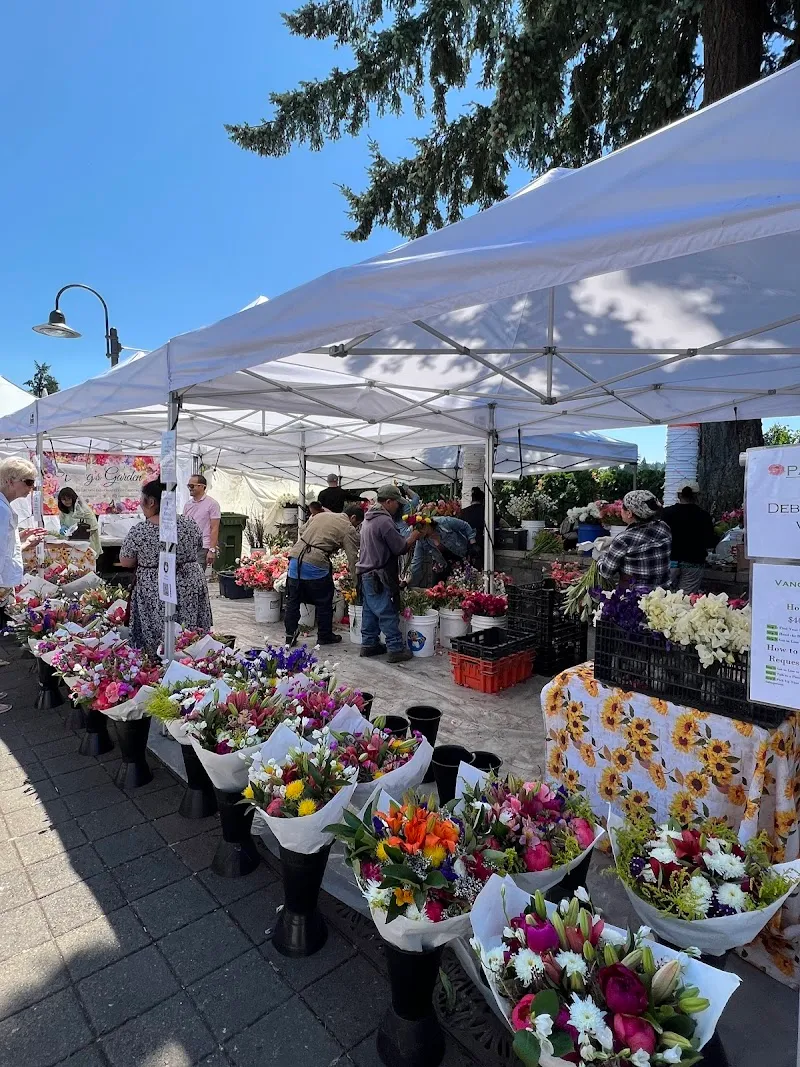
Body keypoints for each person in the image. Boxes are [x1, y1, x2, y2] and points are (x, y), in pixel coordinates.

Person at [120, 480, 212, 656]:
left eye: (142, 499)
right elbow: (199, 545)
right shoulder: (190, 524)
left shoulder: (140, 530)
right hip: (189, 580)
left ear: (151, 502)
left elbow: (126, 561)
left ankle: (157, 664)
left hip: (156, 585)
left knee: (157, 630)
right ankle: (191, 662)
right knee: (189, 630)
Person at [357, 484, 425, 663]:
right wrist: (414, 535)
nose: (398, 506)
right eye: (396, 503)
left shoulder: (368, 518)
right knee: (386, 610)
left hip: (366, 573)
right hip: (379, 574)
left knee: (370, 611)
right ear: (388, 501)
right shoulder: (384, 521)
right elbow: (400, 548)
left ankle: (369, 644)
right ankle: (395, 648)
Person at [284, 507, 359, 646]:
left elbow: (302, 530)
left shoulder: (320, 515)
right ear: (353, 517)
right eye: (357, 524)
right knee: (324, 601)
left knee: (293, 600)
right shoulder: (348, 528)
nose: (356, 527)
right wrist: (357, 582)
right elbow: (352, 557)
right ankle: (324, 635)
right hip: (316, 563)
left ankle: (290, 635)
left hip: (295, 559)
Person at [597, 489, 672, 588]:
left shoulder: (623, 539)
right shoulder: (663, 527)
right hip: (662, 592)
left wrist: (600, 558)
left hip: (635, 595)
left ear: (629, 513)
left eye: (623, 507)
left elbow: (606, 572)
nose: (621, 510)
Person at [662, 482, 719, 593]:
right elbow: (709, 542)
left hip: (669, 562)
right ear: (697, 496)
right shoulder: (704, 516)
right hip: (694, 562)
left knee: (663, 596)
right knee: (686, 599)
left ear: (678, 495)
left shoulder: (666, 513)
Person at [0, 458, 39, 598]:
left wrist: (19, 538)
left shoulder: (4, 507)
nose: (31, 487)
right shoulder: (2, 510)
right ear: (10, 481)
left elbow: (5, 545)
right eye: (28, 482)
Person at [409, 515, 476, 587]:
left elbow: (465, 526)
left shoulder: (443, 522)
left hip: (462, 555)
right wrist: (408, 582)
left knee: (466, 584)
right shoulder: (421, 540)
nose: (419, 534)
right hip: (444, 564)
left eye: (420, 530)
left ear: (426, 524)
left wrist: (473, 543)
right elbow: (416, 561)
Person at [183, 474, 221, 568]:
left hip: (203, 547)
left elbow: (215, 528)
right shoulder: (187, 505)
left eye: (192, 486)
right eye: (188, 486)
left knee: (197, 573)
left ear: (202, 486)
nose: (190, 488)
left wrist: (212, 550)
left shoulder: (212, 504)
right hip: (188, 546)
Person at [57, 487, 101, 557]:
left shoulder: (84, 509)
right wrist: (63, 528)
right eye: (64, 499)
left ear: (73, 498)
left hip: (87, 544)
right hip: (71, 544)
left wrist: (82, 536)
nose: (67, 501)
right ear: (60, 500)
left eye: (69, 499)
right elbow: (63, 524)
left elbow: (94, 527)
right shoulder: (63, 512)